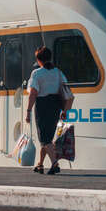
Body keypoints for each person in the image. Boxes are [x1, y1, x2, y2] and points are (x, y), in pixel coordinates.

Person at [25, 45, 71, 175]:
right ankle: (40, 164)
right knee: (47, 138)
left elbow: (33, 93)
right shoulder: (58, 72)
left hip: (43, 106)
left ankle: (54, 163)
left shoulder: (37, 73)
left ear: (39, 60)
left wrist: (28, 111)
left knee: (44, 139)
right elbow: (65, 90)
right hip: (55, 105)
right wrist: (64, 110)